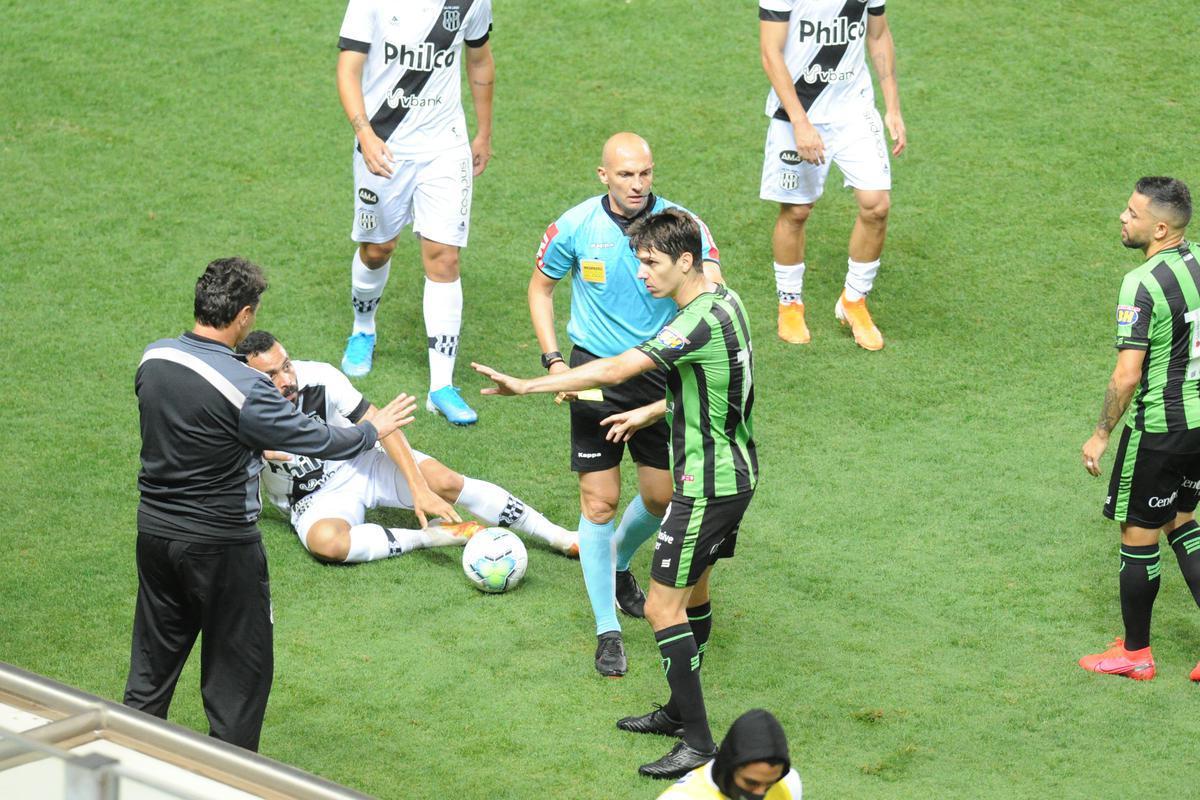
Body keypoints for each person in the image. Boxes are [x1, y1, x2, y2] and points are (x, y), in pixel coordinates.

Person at [477, 209, 756, 779]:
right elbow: (716, 383)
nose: (642, 275)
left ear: (685, 261)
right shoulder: (728, 302)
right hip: (734, 474)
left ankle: (699, 741)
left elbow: (614, 370)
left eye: (651, 264)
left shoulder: (693, 321)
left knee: (660, 607)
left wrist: (528, 384)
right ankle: (678, 712)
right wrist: (651, 411)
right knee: (694, 592)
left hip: (707, 487)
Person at [126, 258, 415, 751]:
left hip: (154, 535)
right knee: (238, 680)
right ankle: (231, 779)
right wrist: (371, 430)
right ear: (243, 316)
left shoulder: (154, 358)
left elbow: (195, 429)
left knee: (150, 672)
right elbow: (316, 438)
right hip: (221, 548)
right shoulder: (245, 388)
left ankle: (121, 764)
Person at [529, 132, 723, 677]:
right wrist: (555, 363)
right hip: (594, 372)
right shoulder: (574, 226)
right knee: (599, 502)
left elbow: (712, 287)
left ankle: (614, 561)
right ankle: (606, 630)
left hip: (660, 370)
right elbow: (540, 288)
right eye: (626, 174)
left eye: (645, 173)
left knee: (661, 498)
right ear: (603, 175)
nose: (637, 184)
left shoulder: (681, 225)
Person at [237, 330, 579, 562]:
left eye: (286, 366)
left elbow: (382, 425)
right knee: (328, 543)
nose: (287, 380)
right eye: (271, 376)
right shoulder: (237, 406)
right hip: (311, 498)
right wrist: (253, 450)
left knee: (445, 481)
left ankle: (559, 536)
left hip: (361, 462)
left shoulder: (320, 378)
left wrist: (419, 489)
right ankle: (432, 537)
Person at [335, 0, 495, 426]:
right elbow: (348, 69)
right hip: (383, 144)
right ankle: (363, 328)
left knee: (444, 257)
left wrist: (483, 132)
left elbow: (479, 59)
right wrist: (364, 134)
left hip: (445, 147)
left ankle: (441, 386)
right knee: (378, 249)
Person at [1080, 177, 1200, 681]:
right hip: (1199, 427)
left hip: (1159, 431)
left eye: (1132, 213)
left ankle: (1135, 655)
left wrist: (1101, 432)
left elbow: (1127, 375)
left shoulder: (1142, 283)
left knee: (1138, 533)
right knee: (1182, 520)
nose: (1122, 218)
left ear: (1160, 228)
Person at [759, 0, 906, 350]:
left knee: (877, 206)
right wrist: (800, 122)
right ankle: (790, 303)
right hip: (798, 110)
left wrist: (893, 107)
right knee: (797, 211)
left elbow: (878, 34)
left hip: (854, 109)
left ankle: (854, 300)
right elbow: (770, 52)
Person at [658, 709, 802, 800]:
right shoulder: (681, 797)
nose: (760, 794)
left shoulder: (789, 783)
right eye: (751, 783)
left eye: (770, 784)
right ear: (728, 766)